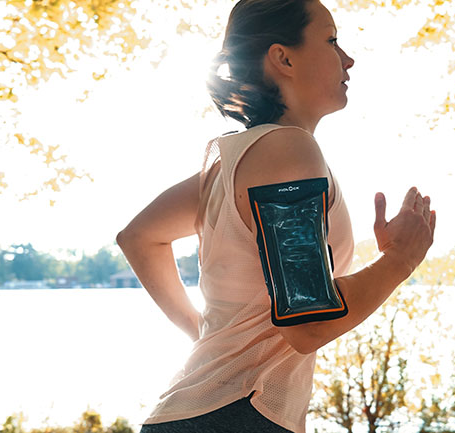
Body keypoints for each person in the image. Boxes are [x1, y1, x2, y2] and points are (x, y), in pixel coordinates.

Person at [116, 0, 436, 432]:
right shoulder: (288, 150)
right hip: (234, 416)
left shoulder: (232, 164)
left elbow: (138, 237)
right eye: (332, 40)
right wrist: (401, 259)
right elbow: (308, 324)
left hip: (209, 412)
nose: (349, 58)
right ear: (283, 57)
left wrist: (208, 337)